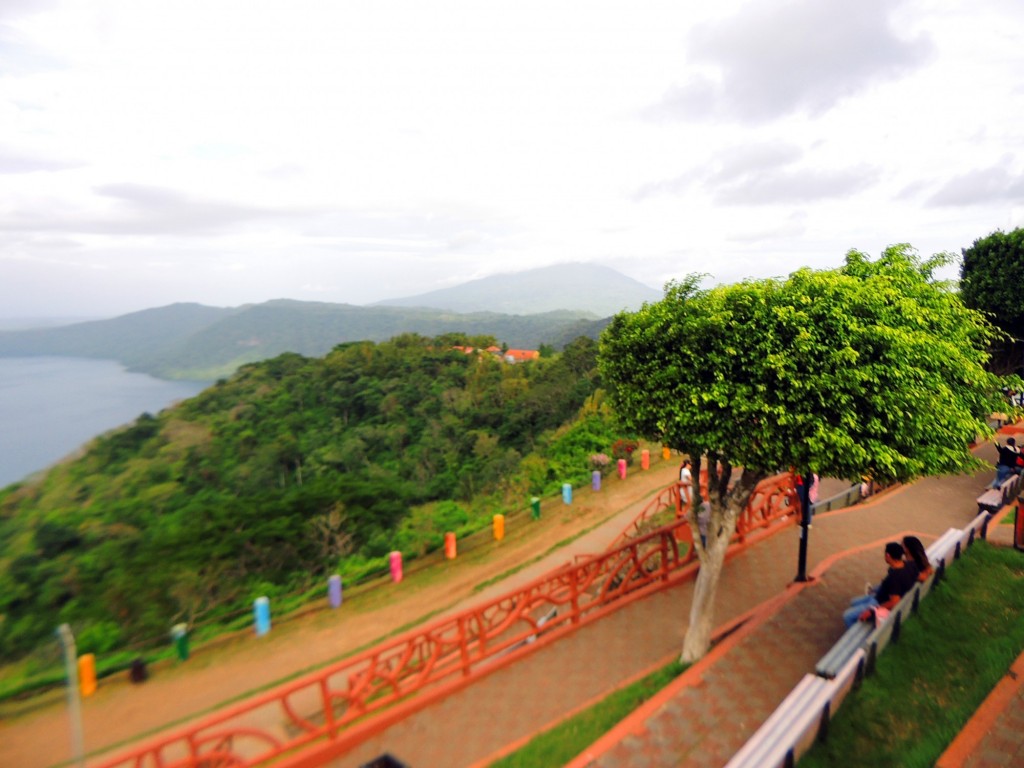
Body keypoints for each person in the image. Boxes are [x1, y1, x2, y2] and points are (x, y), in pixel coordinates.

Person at [842, 542, 919, 628]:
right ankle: (871, 593)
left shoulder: (894, 578)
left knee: (847, 616)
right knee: (854, 602)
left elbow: (894, 602)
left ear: (888, 555)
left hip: (879, 602)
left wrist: (872, 610)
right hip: (880, 595)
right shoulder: (908, 564)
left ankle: (854, 634)